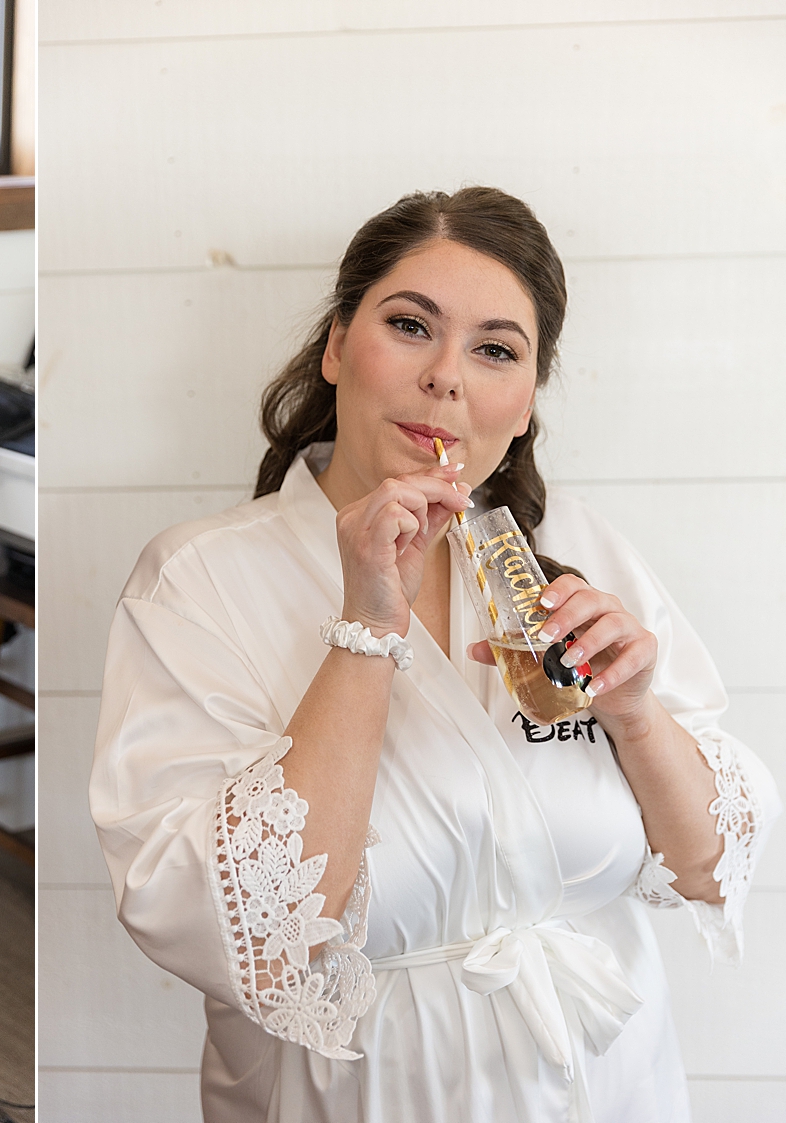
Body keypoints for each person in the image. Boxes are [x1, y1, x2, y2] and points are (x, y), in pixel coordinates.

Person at [89, 188, 779, 1123]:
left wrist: (635, 712)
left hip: (615, 1086)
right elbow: (243, 932)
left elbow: (709, 864)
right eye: (411, 325)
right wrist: (367, 628)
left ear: (529, 397)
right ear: (337, 346)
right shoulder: (199, 580)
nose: (447, 377)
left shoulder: (578, 549)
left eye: (496, 348)